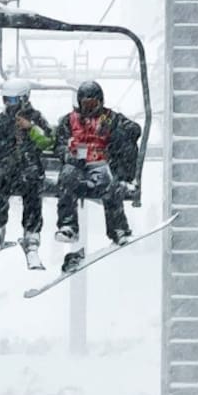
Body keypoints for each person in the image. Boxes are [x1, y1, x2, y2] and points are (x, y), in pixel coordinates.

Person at [53, 80, 141, 264]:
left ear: (101, 102)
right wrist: (68, 153)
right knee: (67, 177)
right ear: (79, 103)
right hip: (77, 165)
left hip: (99, 162)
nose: (90, 108)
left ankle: (118, 229)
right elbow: (58, 145)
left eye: (94, 104)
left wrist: (117, 133)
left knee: (111, 185)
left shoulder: (111, 118)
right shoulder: (69, 120)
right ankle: (68, 225)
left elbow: (135, 130)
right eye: (86, 104)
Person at [0, 78, 53, 256]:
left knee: (32, 182)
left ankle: (32, 230)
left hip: (29, 163)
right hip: (8, 164)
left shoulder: (36, 117)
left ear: (24, 99)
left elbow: (47, 141)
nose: (9, 104)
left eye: (13, 100)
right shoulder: (0, 120)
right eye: (6, 99)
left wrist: (31, 128)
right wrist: (4, 146)